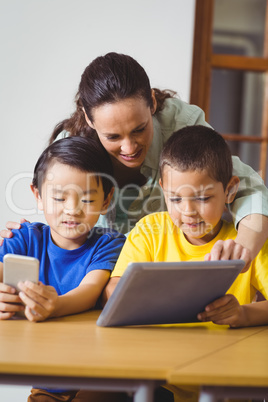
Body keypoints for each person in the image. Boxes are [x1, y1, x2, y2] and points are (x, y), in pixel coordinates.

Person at [2, 52, 268, 268]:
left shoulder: (180, 123)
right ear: (88, 118)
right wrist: (27, 239)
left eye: (140, 129)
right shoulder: (71, 149)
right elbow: (64, 219)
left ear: (152, 103)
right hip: (99, 273)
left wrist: (241, 249)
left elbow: (244, 185)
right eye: (113, 136)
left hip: (169, 269)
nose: (129, 147)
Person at [104, 125, 268, 402]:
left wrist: (243, 314)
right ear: (163, 190)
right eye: (175, 199)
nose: (188, 211)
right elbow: (113, 289)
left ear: (230, 190)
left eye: (203, 198)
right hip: (158, 379)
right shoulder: (149, 231)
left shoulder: (245, 244)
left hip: (228, 381)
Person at [0, 136, 127, 402]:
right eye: (59, 198)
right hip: (47, 380)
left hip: (101, 377)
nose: (72, 210)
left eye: (87, 200)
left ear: (106, 200)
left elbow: (90, 290)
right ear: (38, 196)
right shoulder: (23, 238)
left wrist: (54, 305)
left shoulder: (109, 243)